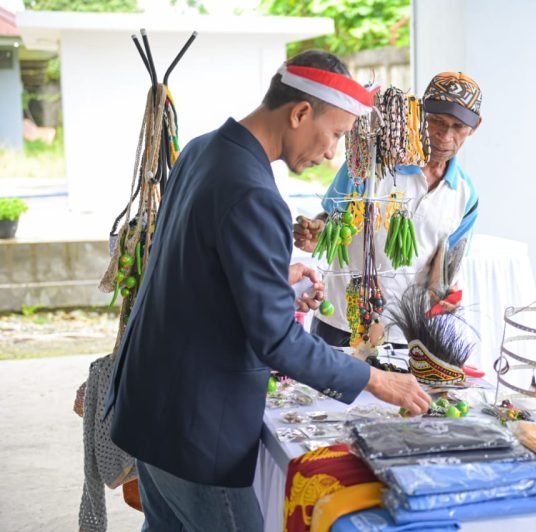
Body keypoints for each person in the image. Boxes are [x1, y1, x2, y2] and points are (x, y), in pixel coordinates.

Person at [104, 50, 431, 531]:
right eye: (336, 134)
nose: (331, 154)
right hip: (196, 428)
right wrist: (377, 381)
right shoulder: (255, 192)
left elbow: (186, 267)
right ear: (300, 113)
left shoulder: (202, 149)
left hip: (151, 407)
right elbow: (277, 340)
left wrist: (274, 284)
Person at [293, 72, 482, 347]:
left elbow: (443, 268)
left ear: (474, 128)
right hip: (345, 323)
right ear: (418, 114)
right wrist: (318, 232)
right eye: (437, 121)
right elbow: (332, 220)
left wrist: (442, 295)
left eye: (458, 127)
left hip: (406, 334)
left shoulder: (466, 196)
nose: (445, 135)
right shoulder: (369, 163)